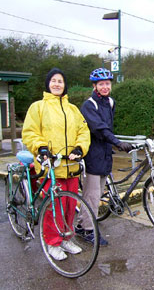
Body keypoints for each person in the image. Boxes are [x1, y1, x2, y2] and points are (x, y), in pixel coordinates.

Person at [22, 68, 91, 261]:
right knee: (54, 207)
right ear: (47, 84)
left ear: (64, 85)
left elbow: (84, 131)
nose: (57, 84)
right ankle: (52, 242)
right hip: (50, 167)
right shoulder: (38, 107)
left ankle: (67, 238)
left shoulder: (73, 109)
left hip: (71, 167)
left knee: (70, 206)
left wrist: (79, 148)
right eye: (53, 80)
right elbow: (30, 132)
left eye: (60, 81)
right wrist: (41, 147)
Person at [76, 68, 133, 245]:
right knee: (92, 195)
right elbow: (100, 128)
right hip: (93, 155)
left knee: (98, 193)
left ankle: (80, 224)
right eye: (101, 84)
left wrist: (112, 145)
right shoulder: (89, 105)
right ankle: (88, 230)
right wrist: (117, 142)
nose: (105, 87)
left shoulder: (110, 102)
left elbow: (109, 127)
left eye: (107, 83)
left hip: (105, 154)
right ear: (94, 86)